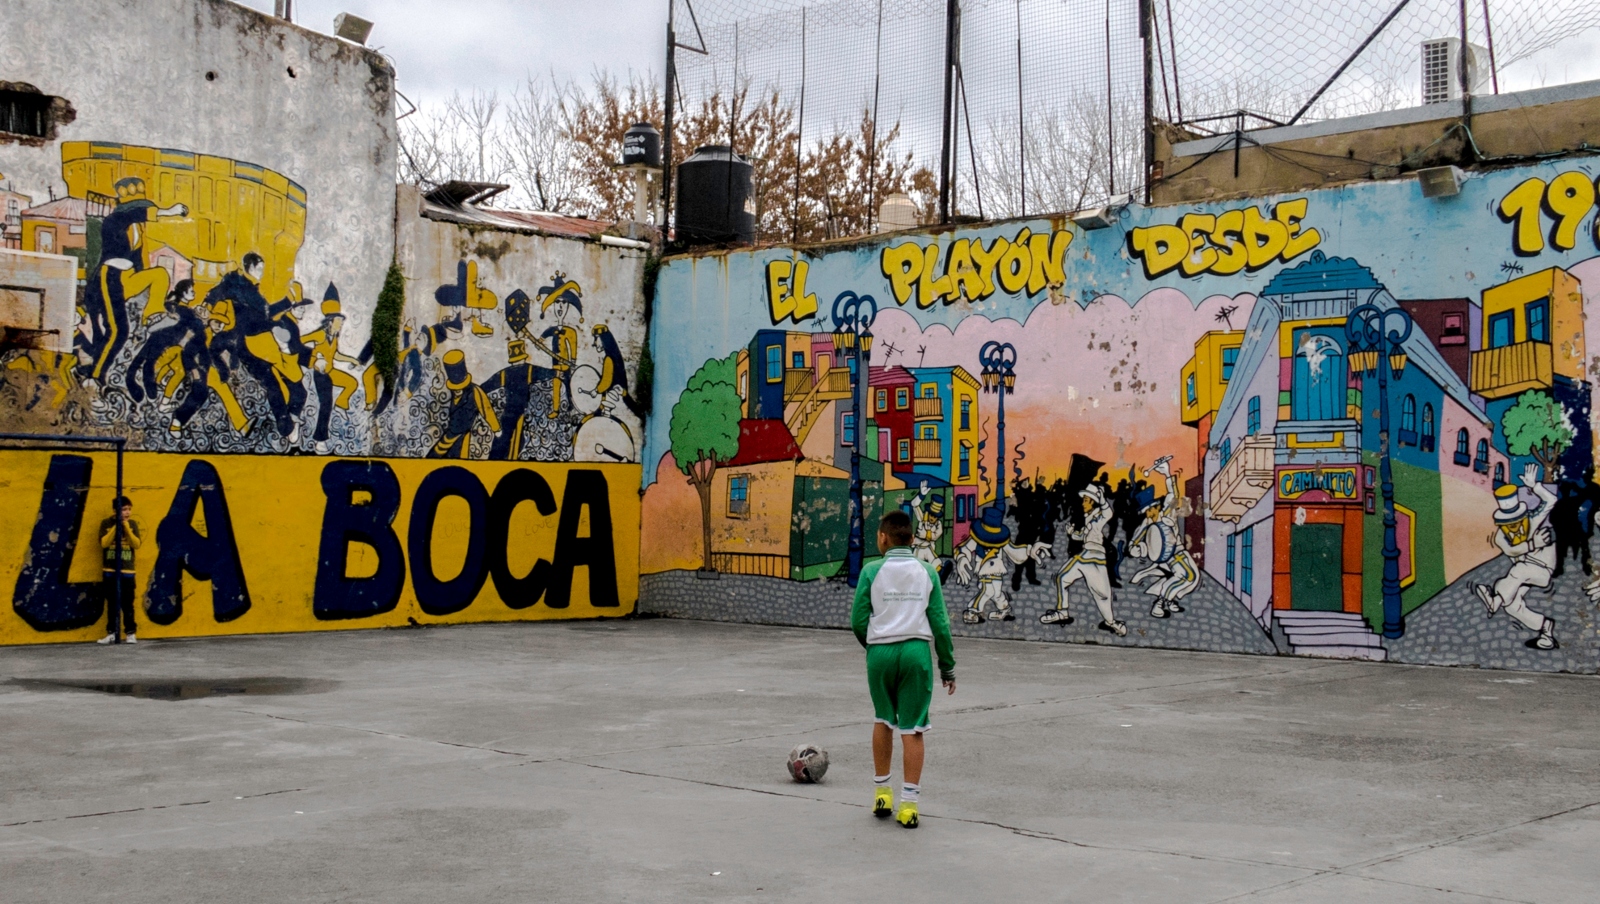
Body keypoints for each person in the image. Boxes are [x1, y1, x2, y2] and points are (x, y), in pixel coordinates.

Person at [851, 509, 956, 830]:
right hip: (915, 653)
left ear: (883, 537)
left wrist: (874, 648)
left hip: (880, 652)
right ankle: (909, 806)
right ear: (911, 539)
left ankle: (882, 793)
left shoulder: (871, 571)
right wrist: (947, 666)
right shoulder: (928, 572)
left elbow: (858, 619)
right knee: (913, 728)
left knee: (883, 719)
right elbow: (940, 623)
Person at [1474, 464, 1560, 650]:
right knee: (1511, 603)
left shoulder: (1533, 519)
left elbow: (1551, 500)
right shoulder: (1500, 537)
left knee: (1517, 573)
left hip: (1542, 569)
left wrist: (1534, 486)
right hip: (1522, 573)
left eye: (1516, 520)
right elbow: (1513, 551)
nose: (1513, 527)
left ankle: (1495, 600)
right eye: (1507, 523)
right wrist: (1532, 544)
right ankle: (1546, 628)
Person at [97, 496, 143, 644]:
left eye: (129, 509)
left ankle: (130, 633)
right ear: (115, 510)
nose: (127, 512)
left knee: (127, 603)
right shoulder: (106, 523)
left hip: (127, 571)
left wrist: (127, 528)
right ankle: (111, 632)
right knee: (111, 603)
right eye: (124, 509)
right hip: (110, 570)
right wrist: (117, 526)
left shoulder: (133, 524)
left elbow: (136, 544)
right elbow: (104, 543)